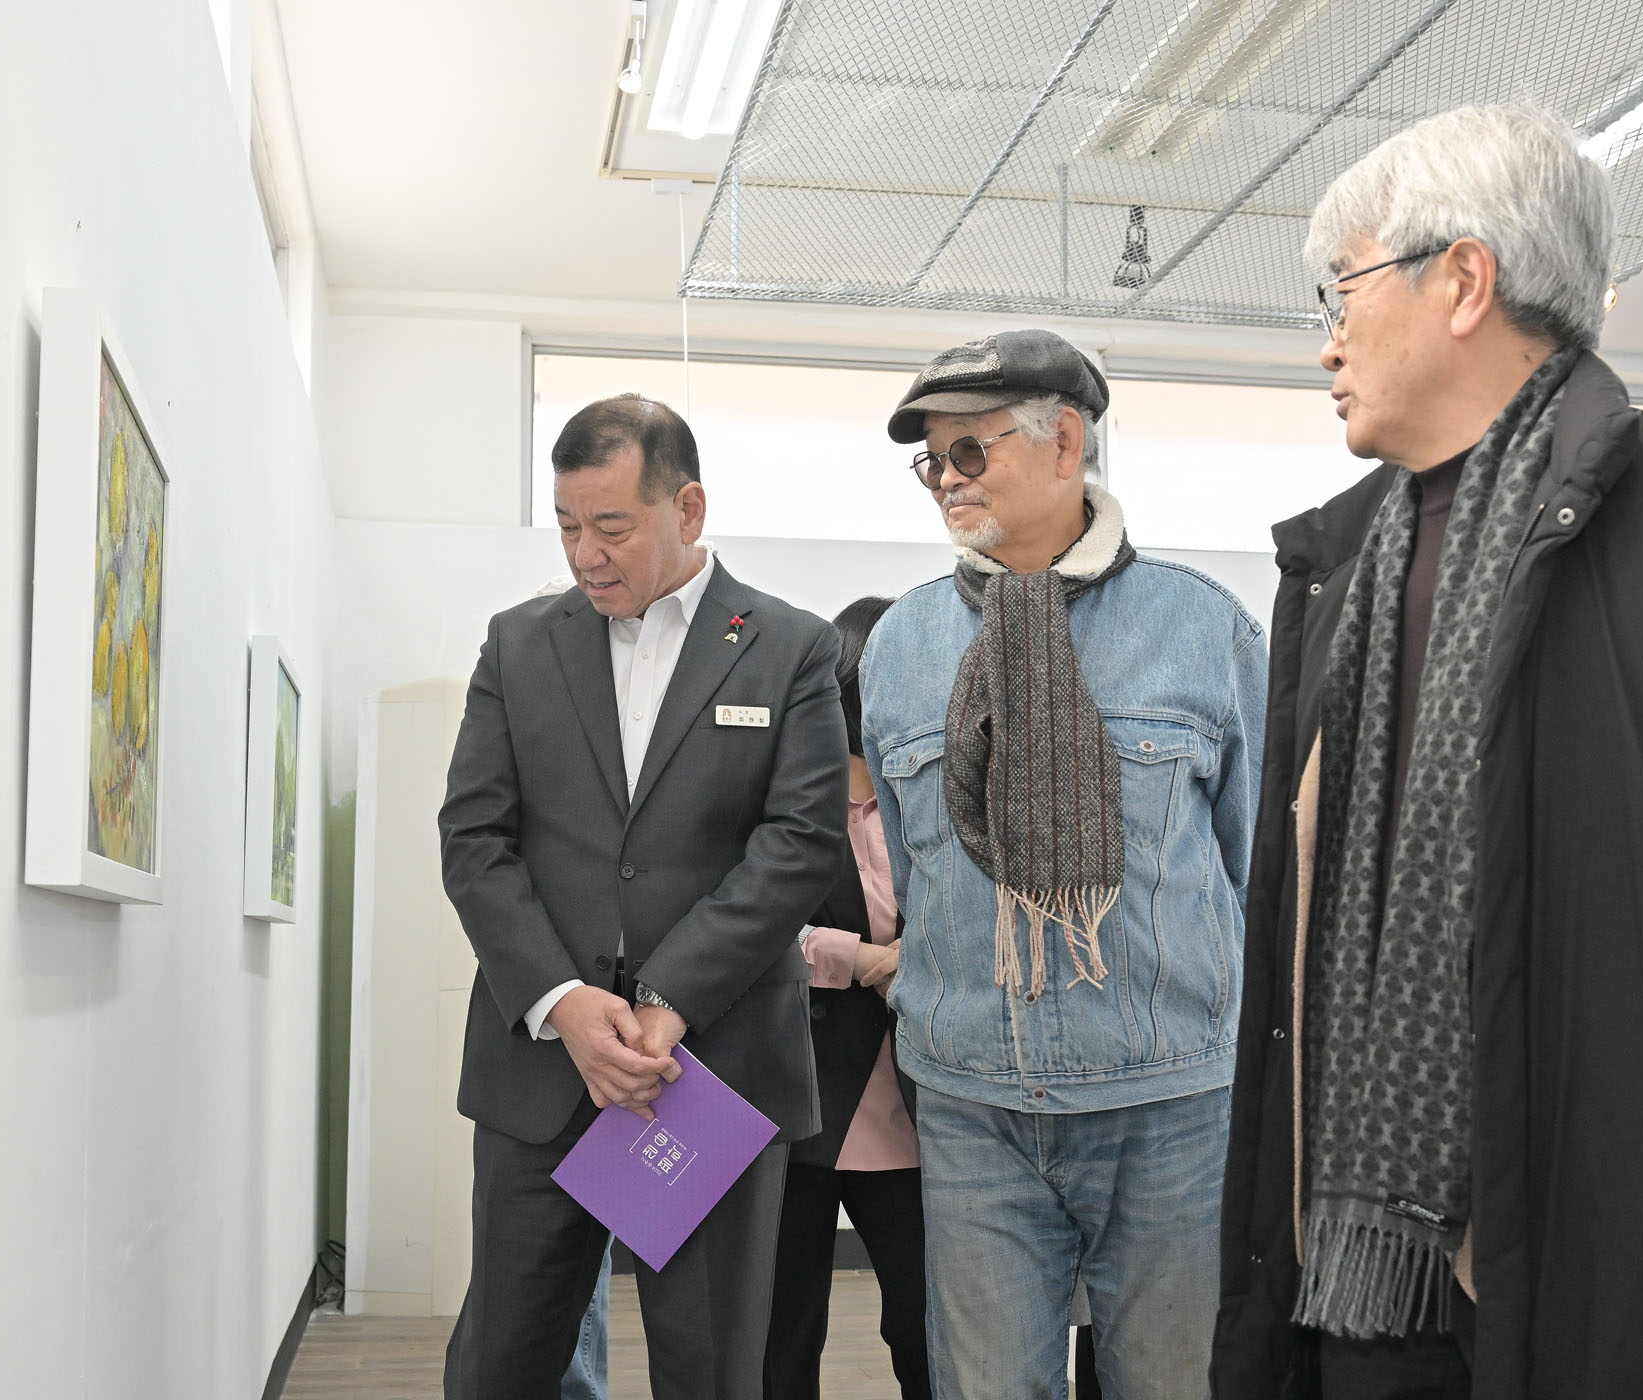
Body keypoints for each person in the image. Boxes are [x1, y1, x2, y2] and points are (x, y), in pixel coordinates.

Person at [1211, 104, 1643, 1400]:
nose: (1326, 340)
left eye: (1344, 288)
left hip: (1621, 1244)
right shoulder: (1340, 564)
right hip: (1356, 1267)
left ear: (1464, 280)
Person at [861, 329, 1267, 1399]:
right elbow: (915, 869)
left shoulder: (1204, 629)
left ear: (1065, 443)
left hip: (1172, 1102)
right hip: (974, 1103)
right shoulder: (901, 646)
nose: (948, 480)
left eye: (971, 450)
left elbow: (1257, 869)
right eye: (932, 461)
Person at [437, 393, 847, 1400]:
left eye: (612, 527)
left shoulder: (789, 647)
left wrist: (668, 999)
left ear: (687, 508)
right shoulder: (519, 644)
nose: (586, 555)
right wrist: (566, 1004)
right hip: (544, 1068)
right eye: (567, 525)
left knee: (708, 1368)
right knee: (501, 1364)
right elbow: (475, 839)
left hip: (707, 1070)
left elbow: (799, 842)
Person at [766, 596, 929, 1400]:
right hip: (798, 1100)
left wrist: (920, 959)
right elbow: (747, 927)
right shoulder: (785, 801)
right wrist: (862, 959)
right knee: (784, 1330)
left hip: (917, 1108)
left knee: (927, 1325)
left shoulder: (931, 802)